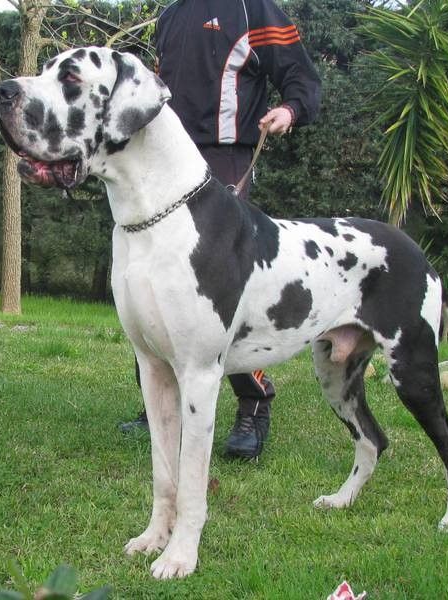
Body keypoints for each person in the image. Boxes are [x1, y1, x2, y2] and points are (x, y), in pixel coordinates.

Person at [119, 0, 321, 459]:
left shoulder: (254, 10)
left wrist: (290, 111)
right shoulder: (170, 15)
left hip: (224, 161)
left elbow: (301, 75)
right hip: (162, 158)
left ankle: (254, 405)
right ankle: (159, 405)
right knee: (150, 282)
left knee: (219, 292)